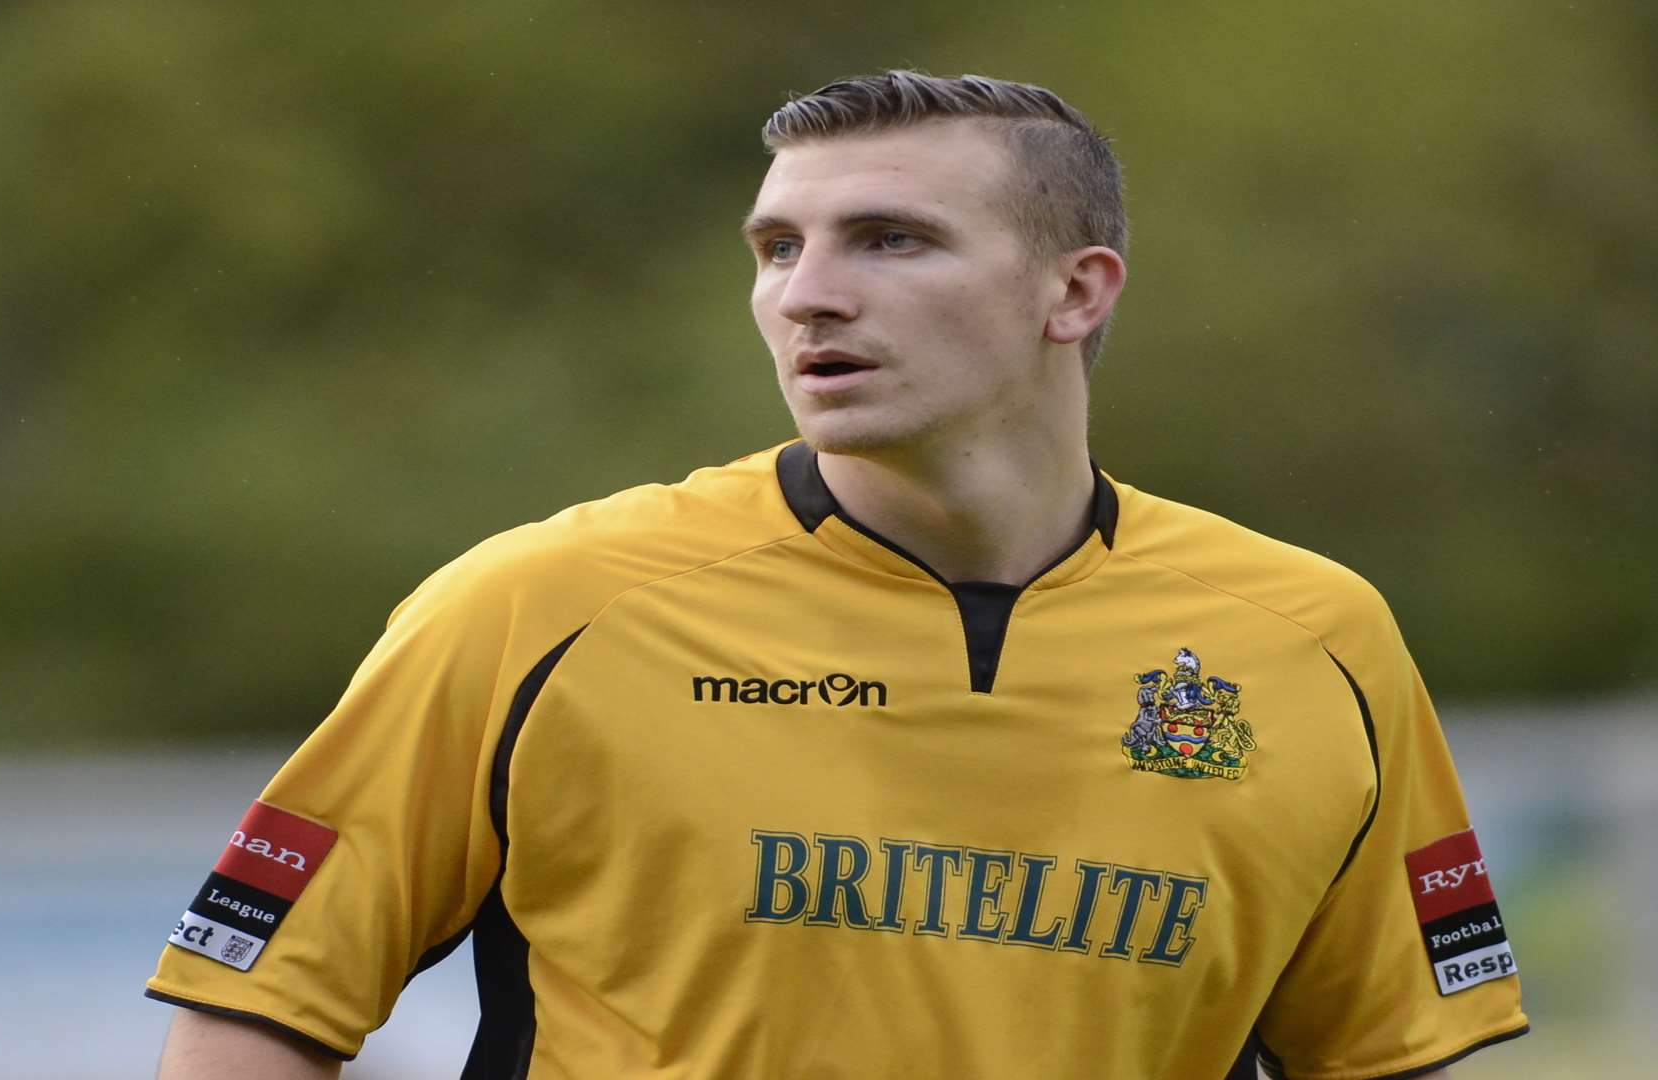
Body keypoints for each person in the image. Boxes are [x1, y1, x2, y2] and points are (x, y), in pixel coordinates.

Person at [149, 71, 1527, 1079]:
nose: (808, 293)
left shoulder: (1312, 639)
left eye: (891, 239)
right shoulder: (541, 607)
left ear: (1078, 291)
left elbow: (1393, 1056)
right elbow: (254, 1011)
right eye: (777, 248)